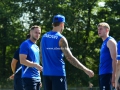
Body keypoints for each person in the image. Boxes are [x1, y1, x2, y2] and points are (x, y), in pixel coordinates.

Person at [40, 14, 94, 90]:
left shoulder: (44, 37)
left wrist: (47, 67)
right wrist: (86, 69)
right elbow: (69, 57)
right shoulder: (61, 38)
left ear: (53, 24)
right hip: (58, 74)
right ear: (62, 24)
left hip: (46, 74)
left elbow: (41, 55)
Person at [19, 25, 42, 90]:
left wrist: (39, 78)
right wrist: (36, 65)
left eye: (39, 33)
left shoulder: (36, 47)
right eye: (36, 32)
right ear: (30, 32)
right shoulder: (25, 44)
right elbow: (22, 60)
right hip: (28, 77)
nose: (37, 34)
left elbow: (37, 62)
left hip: (37, 78)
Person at [97, 22, 117, 90]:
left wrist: (114, 77)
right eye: (98, 29)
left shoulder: (110, 41)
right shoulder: (104, 42)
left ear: (107, 30)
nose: (99, 31)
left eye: (101, 29)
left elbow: (115, 59)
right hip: (102, 74)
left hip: (108, 74)